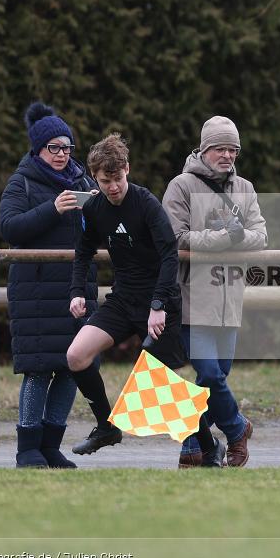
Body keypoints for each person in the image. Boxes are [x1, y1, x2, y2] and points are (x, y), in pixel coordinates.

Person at [65, 132, 187, 455]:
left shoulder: (147, 205)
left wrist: (159, 305)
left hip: (160, 303)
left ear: (127, 170)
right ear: (95, 177)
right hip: (123, 301)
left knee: (154, 382)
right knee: (76, 356)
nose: (113, 187)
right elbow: (83, 251)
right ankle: (106, 428)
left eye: (117, 178)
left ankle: (208, 444)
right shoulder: (93, 209)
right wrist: (77, 291)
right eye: (105, 181)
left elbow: (169, 255)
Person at [0, 102, 100, 469]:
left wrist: (99, 209)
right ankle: (27, 448)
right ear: (38, 149)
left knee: (76, 366)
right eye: (54, 148)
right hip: (36, 291)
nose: (62, 155)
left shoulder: (84, 182)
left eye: (67, 147)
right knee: (39, 369)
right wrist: (53, 209)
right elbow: (9, 227)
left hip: (78, 287)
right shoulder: (21, 181)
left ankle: (51, 444)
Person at [162, 116, 267, 468]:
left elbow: (260, 236)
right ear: (204, 150)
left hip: (230, 296)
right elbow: (175, 239)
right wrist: (226, 238)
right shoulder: (180, 186)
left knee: (213, 380)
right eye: (220, 148)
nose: (227, 155)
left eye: (232, 149)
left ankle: (193, 446)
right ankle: (237, 429)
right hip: (193, 297)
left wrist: (234, 238)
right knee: (208, 373)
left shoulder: (245, 188)